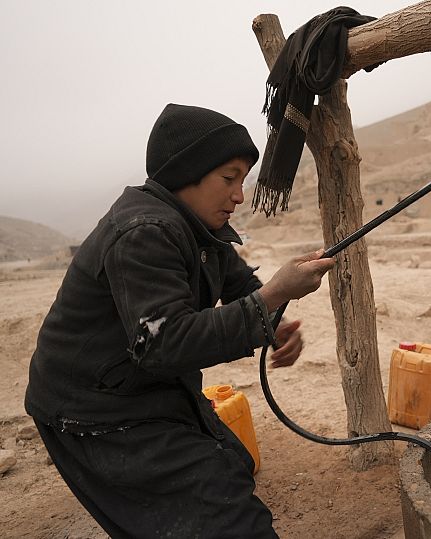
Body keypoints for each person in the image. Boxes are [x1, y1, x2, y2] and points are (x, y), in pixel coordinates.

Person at [25, 103, 335, 538]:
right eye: (229, 179)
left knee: (231, 466)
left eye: (242, 181)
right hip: (94, 410)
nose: (239, 196)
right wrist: (274, 295)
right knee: (226, 519)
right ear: (187, 172)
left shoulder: (198, 228)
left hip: (141, 390)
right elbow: (164, 342)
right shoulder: (144, 231)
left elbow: (242, 286)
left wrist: (273, 322)